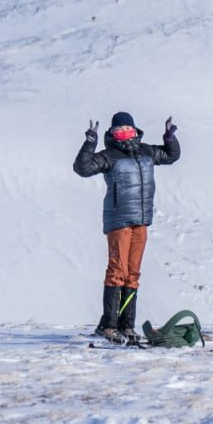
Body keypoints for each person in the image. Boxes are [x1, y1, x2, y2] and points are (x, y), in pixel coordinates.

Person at [73, 111, 180, 343]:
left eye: (127, 128)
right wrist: (89, 143)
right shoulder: (109, 155)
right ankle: (108, 326)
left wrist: (170, 138)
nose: (123, 132)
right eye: (118, 129)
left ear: (134, 130)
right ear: (112, 132)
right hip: (119, 220)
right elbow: (83, 168)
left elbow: (171, 156)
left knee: (133, 273)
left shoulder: (146, 151)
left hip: (141, 220)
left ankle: (127, 325)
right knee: (117, 272)